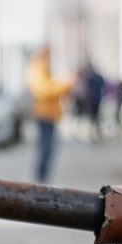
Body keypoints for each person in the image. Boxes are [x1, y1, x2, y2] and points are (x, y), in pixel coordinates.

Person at [25, 46, 75, 183]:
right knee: (46, 147)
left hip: (49, 114)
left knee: (48, 147)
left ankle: (43, 177)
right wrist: (65, 82)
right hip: (44, 114)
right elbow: (44, 89)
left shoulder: (42, 68)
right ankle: (41, 178)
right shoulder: (37, 67)